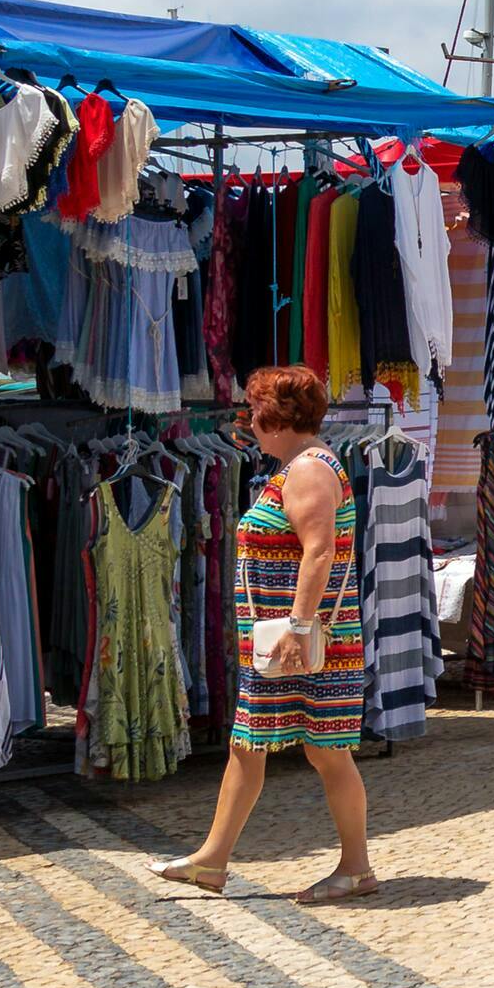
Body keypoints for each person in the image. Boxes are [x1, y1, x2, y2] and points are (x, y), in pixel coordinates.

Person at [152, 366, 378, 902]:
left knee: (328, 750)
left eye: (255, 412)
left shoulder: (309, 471)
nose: (249, 421)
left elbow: (320, 551)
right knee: (248, 744)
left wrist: (300, 626)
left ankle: (357, 867)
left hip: (304, 640)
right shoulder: (296, 465)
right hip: (284, 640)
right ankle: (212, 860)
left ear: (278, 418)